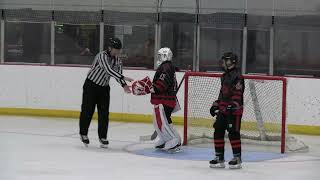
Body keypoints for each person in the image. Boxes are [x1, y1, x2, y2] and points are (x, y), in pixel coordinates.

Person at [79, 37, 133, 148]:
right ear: (109, 48)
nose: (117, 51)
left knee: (104, 113)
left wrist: (124, 85)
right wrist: (124, 77)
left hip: (104, 88)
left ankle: (102, 137)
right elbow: (108, 70)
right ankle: (83, 133)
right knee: (87, 110)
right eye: (115, 49)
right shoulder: (101, 55)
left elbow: (118, 73)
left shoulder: (118, 60)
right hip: (91, 85)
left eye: (119, 49)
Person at [131, 47, 181, 152]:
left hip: (165, 99)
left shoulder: (166, 67)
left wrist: (150, 88)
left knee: (161, 122)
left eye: (160, 55)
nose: (158, 58)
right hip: (166, 99)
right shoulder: (166, 66)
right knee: (164, 121)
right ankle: (165, 138)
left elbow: (162, 83)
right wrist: (151, 88)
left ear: (165, 56)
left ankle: (173, 140)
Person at [209, 52, 244, 169]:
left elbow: (238, 93)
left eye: (225, 60)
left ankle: (237, 158)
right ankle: (219, 157)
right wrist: (216, 104)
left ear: (231, 61)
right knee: (218, 130)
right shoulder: (224, 76)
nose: (223, 62)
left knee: (233, 133)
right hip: (223, 109)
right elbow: (222, 93)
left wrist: (233, 104)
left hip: (234, 111)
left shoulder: (238, 76)